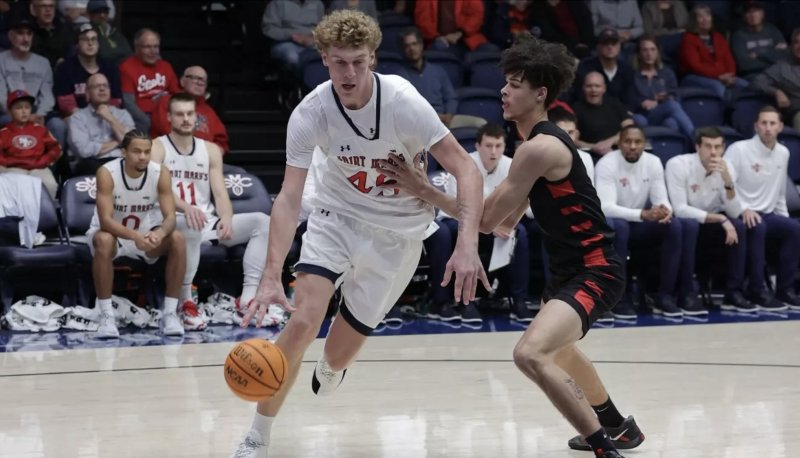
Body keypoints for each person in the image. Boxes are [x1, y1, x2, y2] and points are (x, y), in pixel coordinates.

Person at [230, 10, 487, 458]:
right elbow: (290, 198)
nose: (349, 73)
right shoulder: (310, 112)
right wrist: (271, 274)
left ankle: (333, 368)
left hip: (398, 234)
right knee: (303, 321)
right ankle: (257, 436)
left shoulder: (404, 101)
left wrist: (466, 245)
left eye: (358, 62)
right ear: (324, 59)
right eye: (339, 63)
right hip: (337, 218)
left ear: (372, 59)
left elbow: (466, 166)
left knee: (335, 357)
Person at [380, 33, 643, 458]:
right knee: (562, 353)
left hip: (595, 268)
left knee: (531, 354)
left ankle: (602, 447)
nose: (503, 89)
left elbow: (483, 218)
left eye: (515, 83)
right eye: (505, 81)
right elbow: (494, 220)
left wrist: (424, 189)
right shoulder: (531, 147)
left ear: (540, 94)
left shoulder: (539, 148)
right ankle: (618, 427)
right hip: (568, 270)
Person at [150, 93, 273, 331]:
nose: (185, 119)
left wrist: (226, 218)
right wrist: (186, 208)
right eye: (179, 114)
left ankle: (247, 299)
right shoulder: (157, 147)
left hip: (205, 220)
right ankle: (186, 302)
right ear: (169, 117)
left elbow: (220, 193)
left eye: (189, 114)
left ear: (196, 117)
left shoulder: (210, 150)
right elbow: (158, 189)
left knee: (262, 222)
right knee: (190, 224)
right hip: (170, 222)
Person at [86, 129, 186, 339]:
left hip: (145, 235)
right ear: (123, 152)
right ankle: (106, 316)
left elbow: (170, 217)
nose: (143, 157)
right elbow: (105, 221)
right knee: (104, 240)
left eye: (147, 152)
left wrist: (159, 233)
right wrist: (135, 237)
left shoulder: (160, 173)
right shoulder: (107, 172)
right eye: (136, 151)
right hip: (112, 236)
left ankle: (169, 314)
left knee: (177, 238)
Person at [439, 122, 533, 324]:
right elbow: (458, 207)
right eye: (489, 146)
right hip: (461, 222)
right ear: (478, 146)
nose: (493, 151)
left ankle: (518, 301)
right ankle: (465, 302)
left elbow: (519, 202)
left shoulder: (511, 166)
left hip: (495, 225)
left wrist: (502, 223)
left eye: (498, 146)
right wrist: (491, 225)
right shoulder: (464, 164)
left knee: (521, 233)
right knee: (456, 232)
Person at [664, 126, 754, 313]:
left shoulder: (725, 167)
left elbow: (735, 210)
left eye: (718, 147)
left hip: (711, 224)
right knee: (688, 226)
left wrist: (728, 181)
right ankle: (687, 293)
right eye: (708, 146)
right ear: (697, 147)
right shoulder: (678, 164)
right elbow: (680, 209)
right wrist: (720, 218)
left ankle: (733, 292)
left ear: (723, 148)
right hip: (687, 223)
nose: (713, 152)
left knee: (739, 225)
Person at [724, 106, 800, 311]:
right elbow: (725, 185)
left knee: (794, 229)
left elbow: (780, 191)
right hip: (739, 213)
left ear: (781, 127)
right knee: (758, 227)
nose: (768, 128)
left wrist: (785, 219)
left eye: (772, 123)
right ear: (756, 126)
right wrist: (742, 209)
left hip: (767, 214)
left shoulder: (783, 152)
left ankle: (786, 289)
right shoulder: (738, 149)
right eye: (764, 123)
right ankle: (757, 290)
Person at [149, 66, 229, 154]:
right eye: (194, 78)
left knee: (236, 169)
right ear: (182, 81)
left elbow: (221, 141)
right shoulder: (167, 102)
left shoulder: (209, 111)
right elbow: (166, 131)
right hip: (172, 155)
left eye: (203, 80)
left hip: (204, 159)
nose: (199, 83)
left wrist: (216, 151)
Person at [67, 73, 135, 174]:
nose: (102, 89)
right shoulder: (78, 118)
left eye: (105, 86)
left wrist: (111, 119)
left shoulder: (123, 114)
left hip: (120, 161)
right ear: (88, 93)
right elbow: (84, 150)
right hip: (92, 164)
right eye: (97, 86)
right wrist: (117, 142)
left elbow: (133, 144)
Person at [0, 89, 61, 198]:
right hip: (14, 168)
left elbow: (56, 149)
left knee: (50, 184)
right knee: (16, 186)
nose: (24, 111)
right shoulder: (4, 132)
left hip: (38, 167)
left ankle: (46, 213)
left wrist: (43, 161)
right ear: (9, 111)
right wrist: (7, 162)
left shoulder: (40, 129)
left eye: (27, 107)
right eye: (18, 108)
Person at [632, 35, 695, 138]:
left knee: (671, 122)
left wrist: (658, 101)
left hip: (661, 112)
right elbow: (628, 98)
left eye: (653, 50)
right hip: (642, 114)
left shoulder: (667, 73)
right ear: (639, 54)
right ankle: (697, 140)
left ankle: (689, 145)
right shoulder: (632, 75)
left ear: (658, 52)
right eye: (645, 50)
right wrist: (641, 102)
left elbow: (675, 97)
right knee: (639, 120)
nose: (649, 54)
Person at [54, 23, 123, 116]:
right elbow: (67, 105)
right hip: (75, 118)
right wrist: (89, 120)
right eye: (85, 39)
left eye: (94, 39)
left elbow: (116, 101)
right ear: (77, 45)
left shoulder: (111, 68)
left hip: (108, 117)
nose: (90, 43)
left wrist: (105, 116)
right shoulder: (65, 68)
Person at [119, 28, 180, 133]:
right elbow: (128, 103)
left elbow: (177, 95)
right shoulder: (126, 68)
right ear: (137, 48)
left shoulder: (166, 66)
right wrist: (148, 122)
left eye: (155, 47)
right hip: (143, 117)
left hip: (167, 114)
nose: (153, 51)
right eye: (147, 47)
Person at [573, 71, 634, 157]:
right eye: (589, 86)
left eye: (597, 86)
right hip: (588, 154)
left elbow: (629, 127)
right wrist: (594, 147)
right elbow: (571, 138)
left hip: (617, 151)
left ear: (604, 88)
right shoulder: (575, 109)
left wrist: (609, 142)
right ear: (583, 88)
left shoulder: (615, 103)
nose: (593, 90)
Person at [752, 29, 800, 131]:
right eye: (796, 42)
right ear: (791, 46)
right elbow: (757, 81)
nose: (799, 46)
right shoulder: (781, 67)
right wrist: (776, 92)